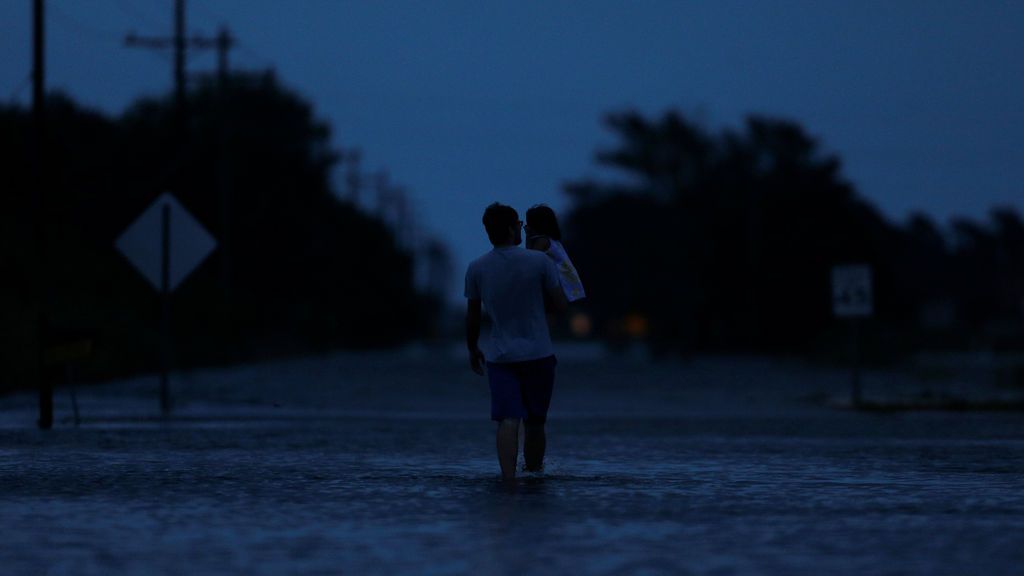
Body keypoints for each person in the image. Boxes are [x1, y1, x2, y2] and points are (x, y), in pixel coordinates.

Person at [465, 202, 568, 482]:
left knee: (508, 419)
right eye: (520, 225)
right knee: (535, 422)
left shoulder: (477, 268)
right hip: (539, 353)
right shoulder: (540, 262)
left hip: (500, 357)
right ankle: (533, 478)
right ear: (512, 228)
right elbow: (561, 305)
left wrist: (472, 348)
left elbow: (473, 315)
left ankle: (508, 481)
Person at [524, 204, 586, 302]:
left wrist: (527, 237)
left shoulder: (542, 241)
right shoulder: (554, 241)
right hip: (570, 285)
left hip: (561, 287)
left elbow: (531, 261)